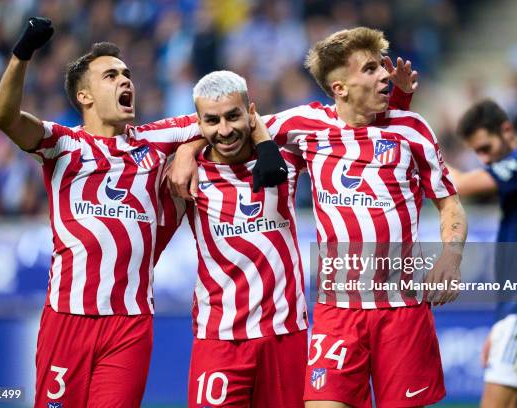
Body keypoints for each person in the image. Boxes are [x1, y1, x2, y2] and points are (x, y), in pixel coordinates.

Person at [0, 17, 286, 408]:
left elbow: (220, 119)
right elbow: (5, 119)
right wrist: (22, 53)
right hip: (68, 316)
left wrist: (185, 150)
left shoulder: (156, 138)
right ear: (85, 97)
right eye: (111, 76)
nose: (125, 81)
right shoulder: (64, 145)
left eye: (127, 74)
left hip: (130, 324)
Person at [170, 27, 467, 408]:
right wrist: (186, 150)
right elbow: (236, 123)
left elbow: (450, 203)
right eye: (371, 69)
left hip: (402, 308)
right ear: (340, 88)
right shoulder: (306, 125)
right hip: (336, 311)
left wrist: (451, 256)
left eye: (381, 67)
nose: (384, 76)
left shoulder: (413, 129)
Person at [155, 70, 309, 407]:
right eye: (212, 121)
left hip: (285, 334)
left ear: (250, 113)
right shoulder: (186, 177)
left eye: (233, 116)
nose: (224, 130)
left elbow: (347, 125)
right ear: (199, 123)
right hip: (220, 337)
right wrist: (185, 152)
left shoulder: (290, 160)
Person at [450, 99, 517, 408]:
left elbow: (459, 183)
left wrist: (414, 145)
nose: (484, 159)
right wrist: (501, 326)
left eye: (486, 148)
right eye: (477, 153)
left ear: (507, 129)